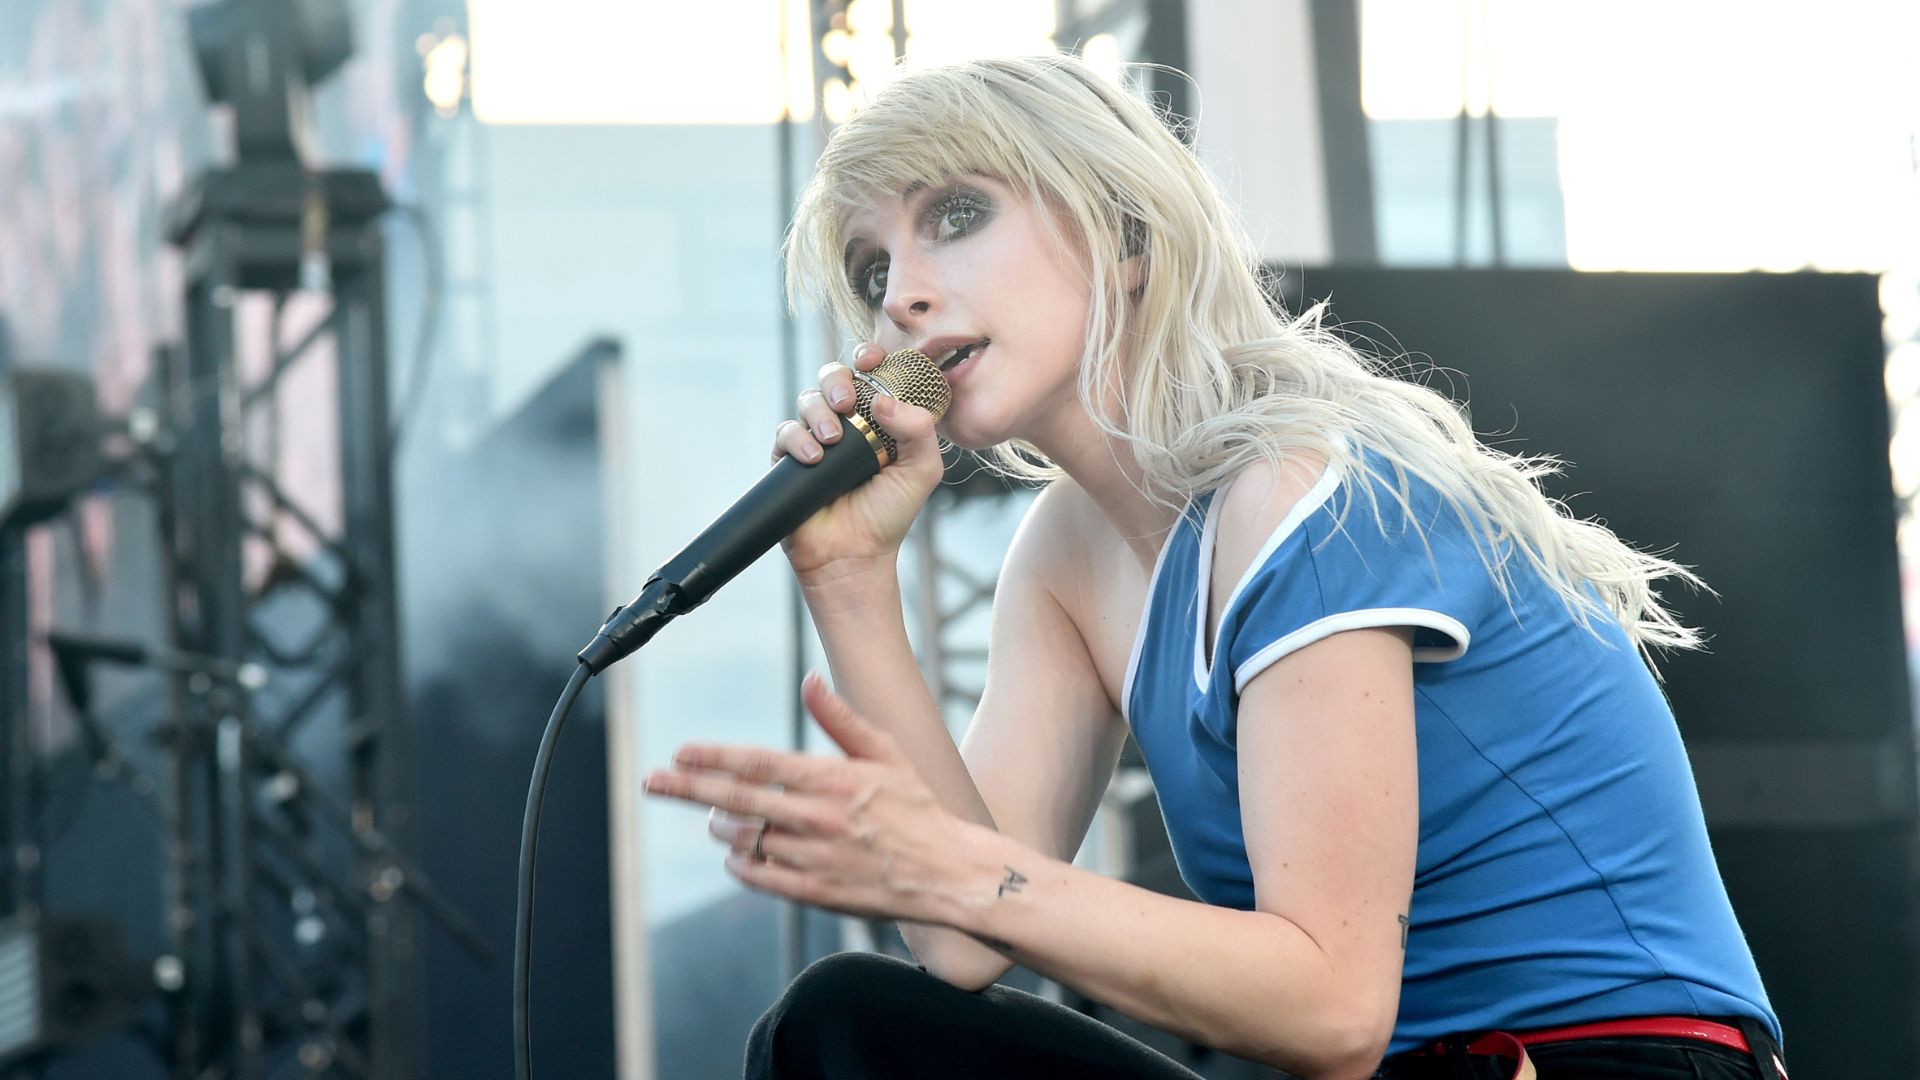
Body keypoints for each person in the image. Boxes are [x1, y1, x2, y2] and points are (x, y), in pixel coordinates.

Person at [639, 54, 1786, 1080]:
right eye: (871, 263)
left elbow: (1333, 1006)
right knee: (849, 1032)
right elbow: (962, 938)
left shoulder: (1304, 483)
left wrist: (941, 867)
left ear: (1128, 236)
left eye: (957, 214)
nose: (900, 292)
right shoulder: (1066, 556)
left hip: (1612, 1065)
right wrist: (848, 579)